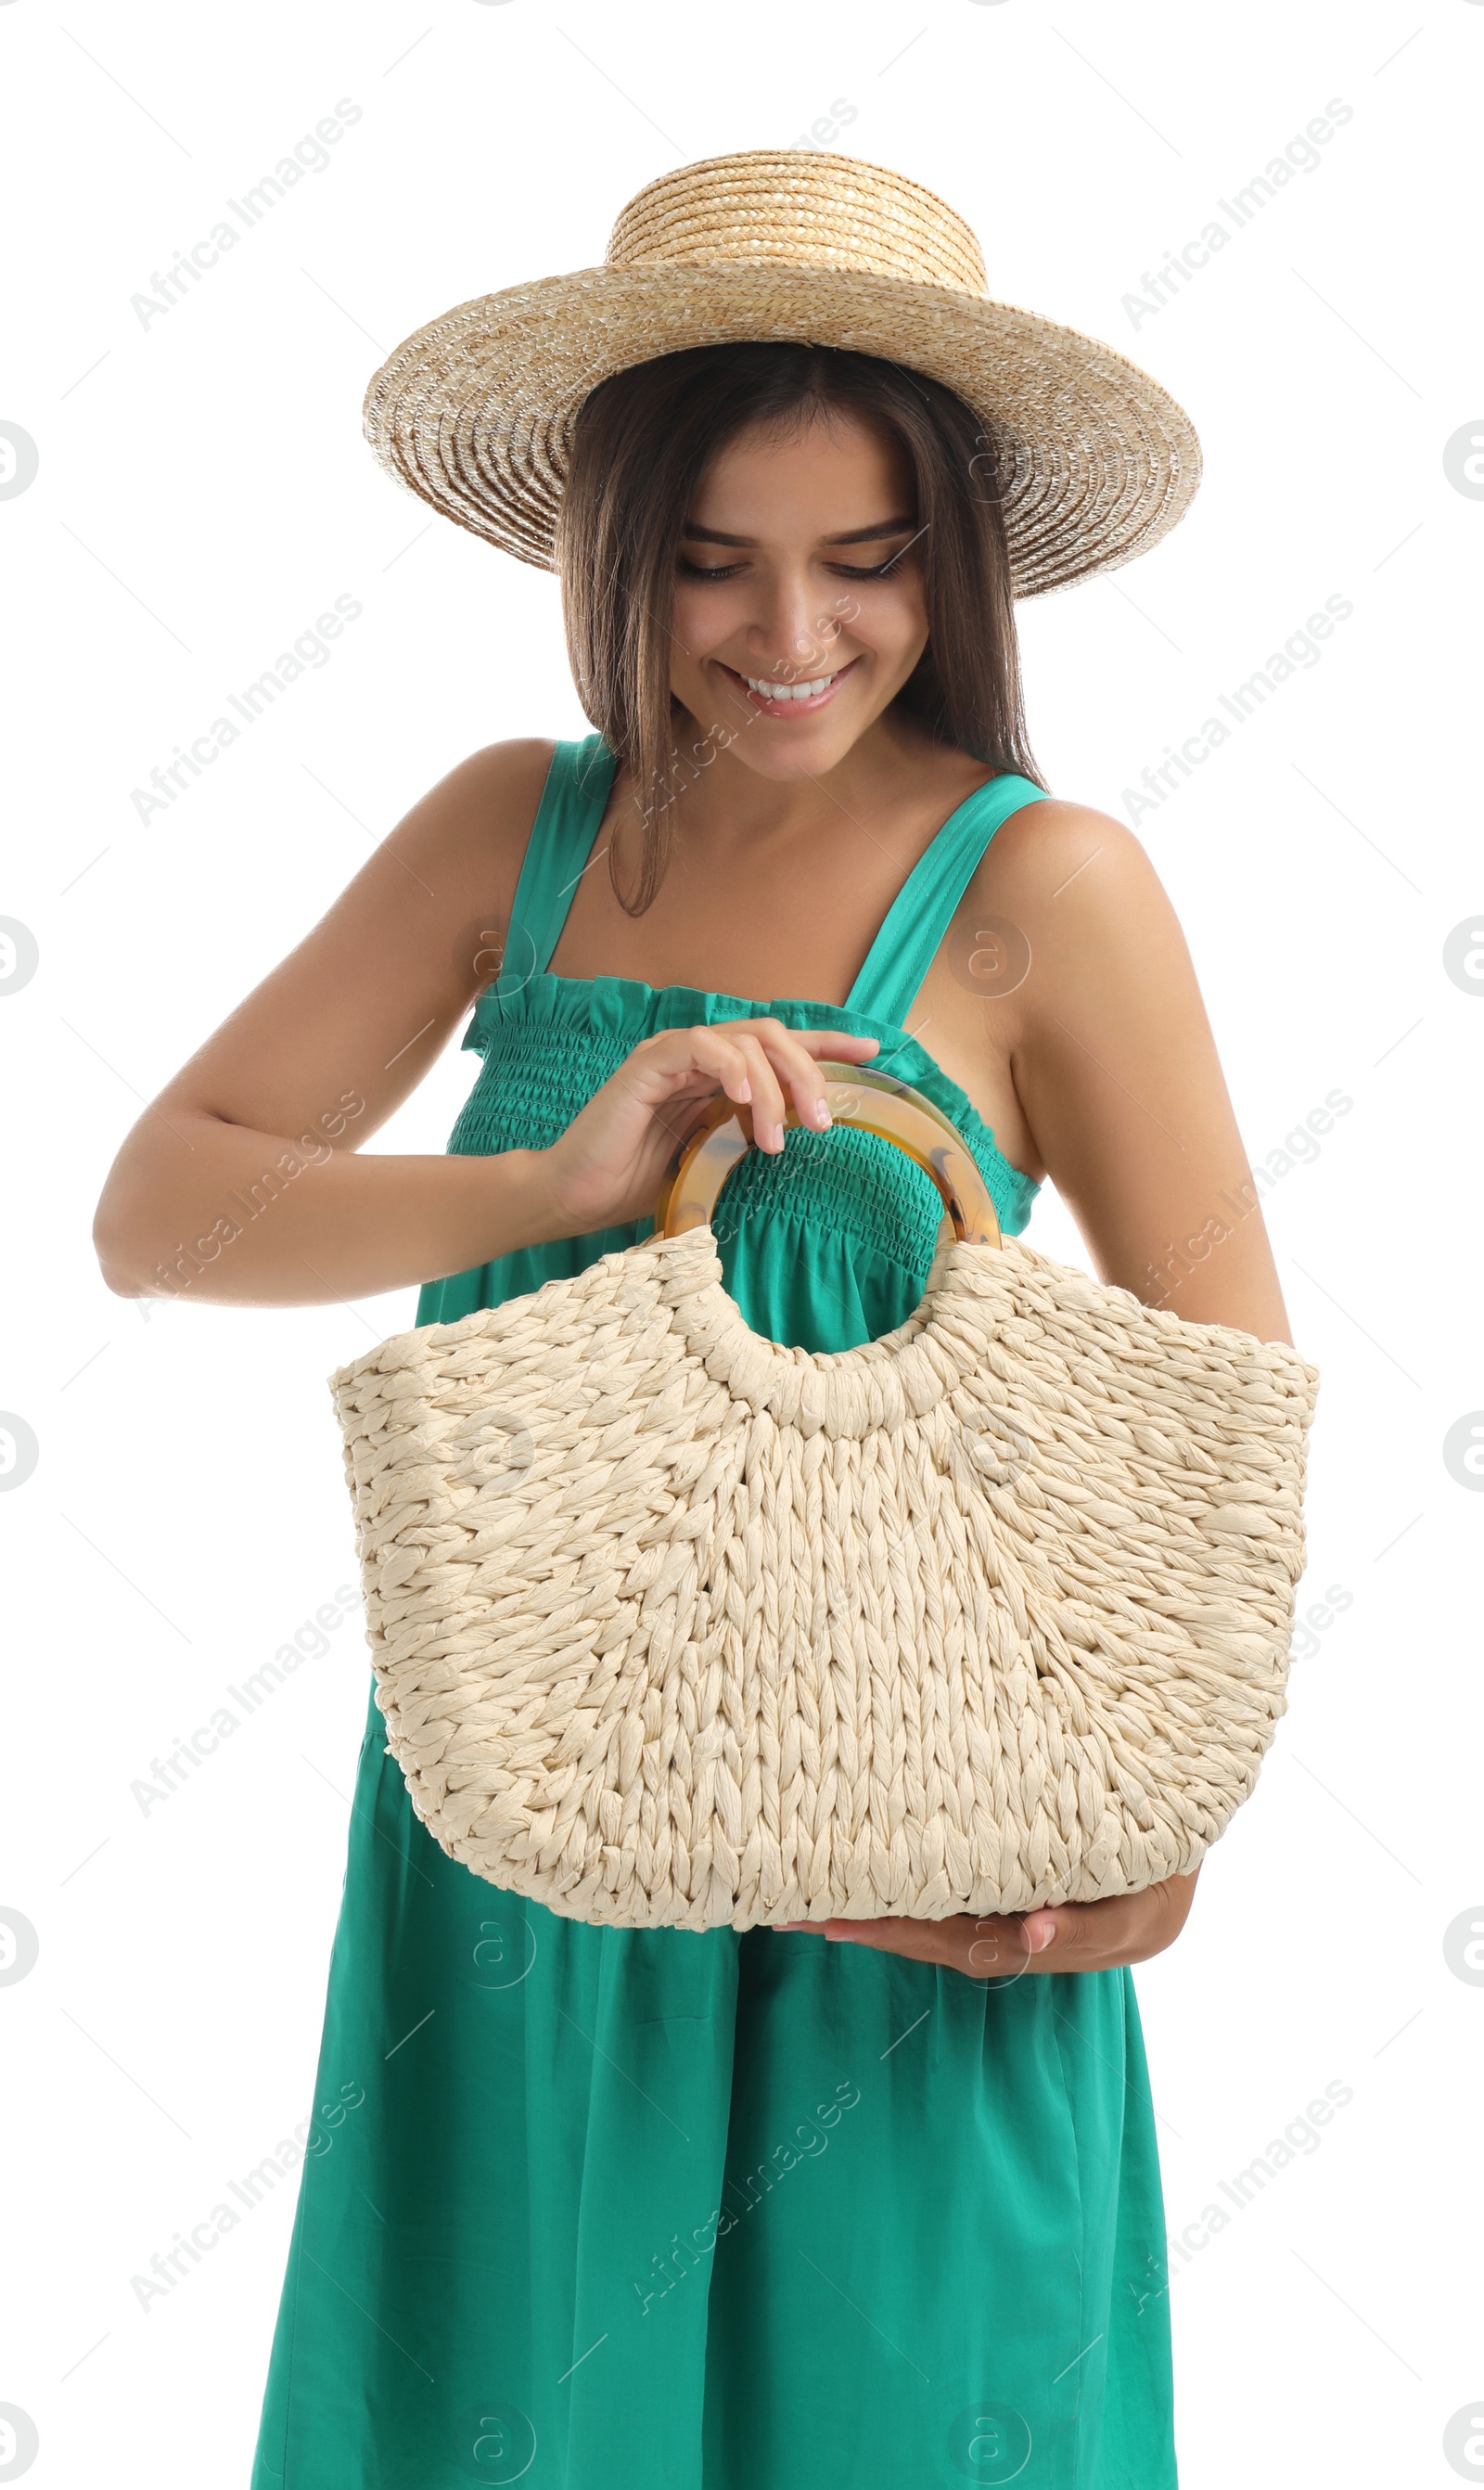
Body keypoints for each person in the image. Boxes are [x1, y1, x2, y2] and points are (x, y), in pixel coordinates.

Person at [95, 149, 1293, 2489]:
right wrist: (548, 1176)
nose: (787, 635)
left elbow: (1217, 1425)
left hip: (905, 1838)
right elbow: (163, 1215)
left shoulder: (1045, 887)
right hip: (535, 1844)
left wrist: (1160, 1841)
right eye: (709, 562)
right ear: (606, 557)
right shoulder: (509, 838)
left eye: (866, 562)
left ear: (955, 565)